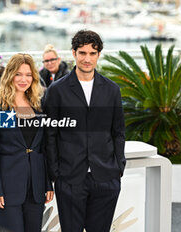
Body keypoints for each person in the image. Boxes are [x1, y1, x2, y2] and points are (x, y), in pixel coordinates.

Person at [44, 30, 125, 232]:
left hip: (105, 177)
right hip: (69, 178)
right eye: (82, 53)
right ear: (73, 53)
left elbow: (118, 132)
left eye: (92, 53)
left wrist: (118, 168)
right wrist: (56, 173)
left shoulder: (112, 89)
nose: (87, 59)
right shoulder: (57, 90)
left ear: (99, 55)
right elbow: (50, 134)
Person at [0, 53, 54, 232]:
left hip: (36, 188)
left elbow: (42, 148)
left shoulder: (38, 105)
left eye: (28, 75)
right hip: (7, 187)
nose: (24, 79)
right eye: (19, 74)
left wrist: (47, 184)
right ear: (10, 75)